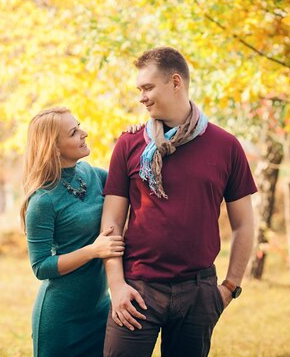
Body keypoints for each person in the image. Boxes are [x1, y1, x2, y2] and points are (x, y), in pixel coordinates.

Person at [101, 47, 257, 357]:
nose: (141, 97)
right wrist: (116, 285)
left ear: (175, 82)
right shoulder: (130, 143)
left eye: (148, 88)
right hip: (137, 289)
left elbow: (244, 223)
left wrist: (229, 287)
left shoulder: (225, 145)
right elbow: (112, 223)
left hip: (198, 291)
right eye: (139, 90)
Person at [21, 107, 125, 357]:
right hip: (61, 320)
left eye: (79, 126)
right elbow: (41, 266)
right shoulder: (42, 201)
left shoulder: (91, 174)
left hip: (99, 310)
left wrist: (134, 136)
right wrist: (92, 251)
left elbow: (127, 184)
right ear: (54, 147)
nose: (84, 133)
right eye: (74, 132)